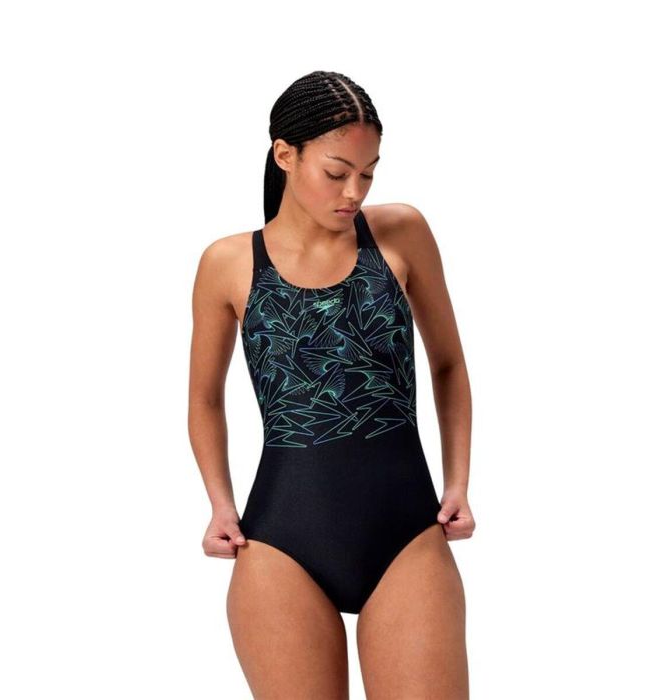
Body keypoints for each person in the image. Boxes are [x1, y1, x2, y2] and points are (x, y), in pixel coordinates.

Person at [188, 70, 474, 699]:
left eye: (368, 173)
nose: (354, 192)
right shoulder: (228, 263)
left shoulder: (400, 233)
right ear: (284, 154)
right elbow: (205, 398)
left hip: (407, 533)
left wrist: (457, 483)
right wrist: (220, 504)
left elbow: (448, 364)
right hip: (280, 543)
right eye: (337, 172)